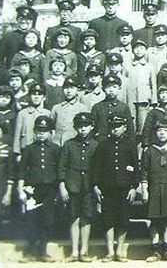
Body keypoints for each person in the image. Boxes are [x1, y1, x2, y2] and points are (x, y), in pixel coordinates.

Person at [91, 114, 139, 261]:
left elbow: (136, 166)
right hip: (107, 188)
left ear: (124, 128)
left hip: (124, 188)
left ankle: (119, 251)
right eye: (112, 127)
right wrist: (95, 186)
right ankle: (110, 251)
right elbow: (96, 167)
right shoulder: (103, 145)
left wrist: (134, 187)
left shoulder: (130, 144)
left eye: (118, 126)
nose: (115, 130)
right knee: (108, 219)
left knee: (123, 219)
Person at [58, 111, 99, 262]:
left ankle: (84, 251)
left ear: (92, 127)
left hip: (89, 186)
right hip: (72, 186)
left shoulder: (96, 145)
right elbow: (62, 167)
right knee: (74, 218)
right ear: (75, 127)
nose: (83, 129)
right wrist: (62, 186)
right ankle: (74, 251)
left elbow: (99, 167)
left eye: (86, 126)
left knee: (86, 218)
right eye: (80, 126)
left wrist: (96, 186)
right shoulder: (69, 145)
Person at [17, 115, 59, 262]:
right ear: (34, 131)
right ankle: (31, 251)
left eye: (45, 130)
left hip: (49, 189)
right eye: (39, 130)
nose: (41, 133)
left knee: (47, 221)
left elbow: (60, 170)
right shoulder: (28, 149)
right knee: (32, 220)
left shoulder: (55, 149)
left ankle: (42, 251)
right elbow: (21, 170)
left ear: (50, 132)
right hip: (32, 190)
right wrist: (20, 189)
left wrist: (59, 189)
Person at [140, 119, 167, 262]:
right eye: (159, 130)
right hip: (154, 187)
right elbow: (144, 171)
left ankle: (166, 250)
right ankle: (155, 250)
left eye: (165, 130)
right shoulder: (149, 151)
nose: (162, 133)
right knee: (154, 220)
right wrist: (145, 189)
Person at [0, 121, 13, 258]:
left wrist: (8, 193)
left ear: (2, 133)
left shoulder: (7, 150)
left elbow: (11, 174)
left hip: (0, 190)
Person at [90, 75, 135, 140]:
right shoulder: (97, 107)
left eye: (114, 87)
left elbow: (130, 129)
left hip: (120, 143)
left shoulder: (124, 107)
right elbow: (92, 128)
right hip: (102, 142)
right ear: (103, 89)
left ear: (119, 89)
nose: (111, 90)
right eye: (108, 87)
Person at [49, 77, 88, 147]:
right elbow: (51, 128)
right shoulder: (56, 108)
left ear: (77, 89)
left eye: (72, 88)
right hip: (57, 144)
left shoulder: (82, 108)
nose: (69, 91)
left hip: (75, 145)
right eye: (66, 88)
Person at [12, 83, 50, 156]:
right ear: (29, 96)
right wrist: (17, 153)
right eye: (34, 94)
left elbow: (50, 135)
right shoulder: (22, 114)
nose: (36, 97)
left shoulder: (48, 113)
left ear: (44, 98)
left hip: (42, 151)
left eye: (39, 95)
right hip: (25, 150)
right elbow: (17, 135)